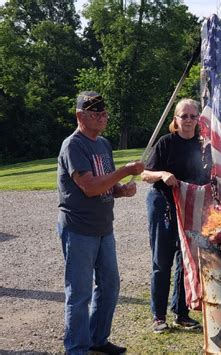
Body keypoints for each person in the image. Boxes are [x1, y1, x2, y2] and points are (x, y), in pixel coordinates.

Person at [57, 91, 144, 354]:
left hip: (104, 228)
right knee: (80, 293)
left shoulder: (103, 144)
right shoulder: (73, 145)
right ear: (80, 116)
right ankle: (76, 348)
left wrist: (120, 189)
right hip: (78, 228)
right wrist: (125, 171)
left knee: (109, 286)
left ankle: (97, 339)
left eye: (105, 114)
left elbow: (105, 181)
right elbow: (90, 187)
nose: (103, 118)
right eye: (96, 114)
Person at [141, 98, 210, 333]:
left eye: (192, 116)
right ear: (176, 119)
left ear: (198, 119)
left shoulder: (203, 146)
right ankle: (158, 316)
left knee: (187, 259)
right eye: (184, 116)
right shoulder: (165, 143)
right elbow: (145, 174)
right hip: (164, 204)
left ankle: (181, 312)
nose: (188, 120)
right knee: (162, 261)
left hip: (190, 206)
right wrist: (162, 174)